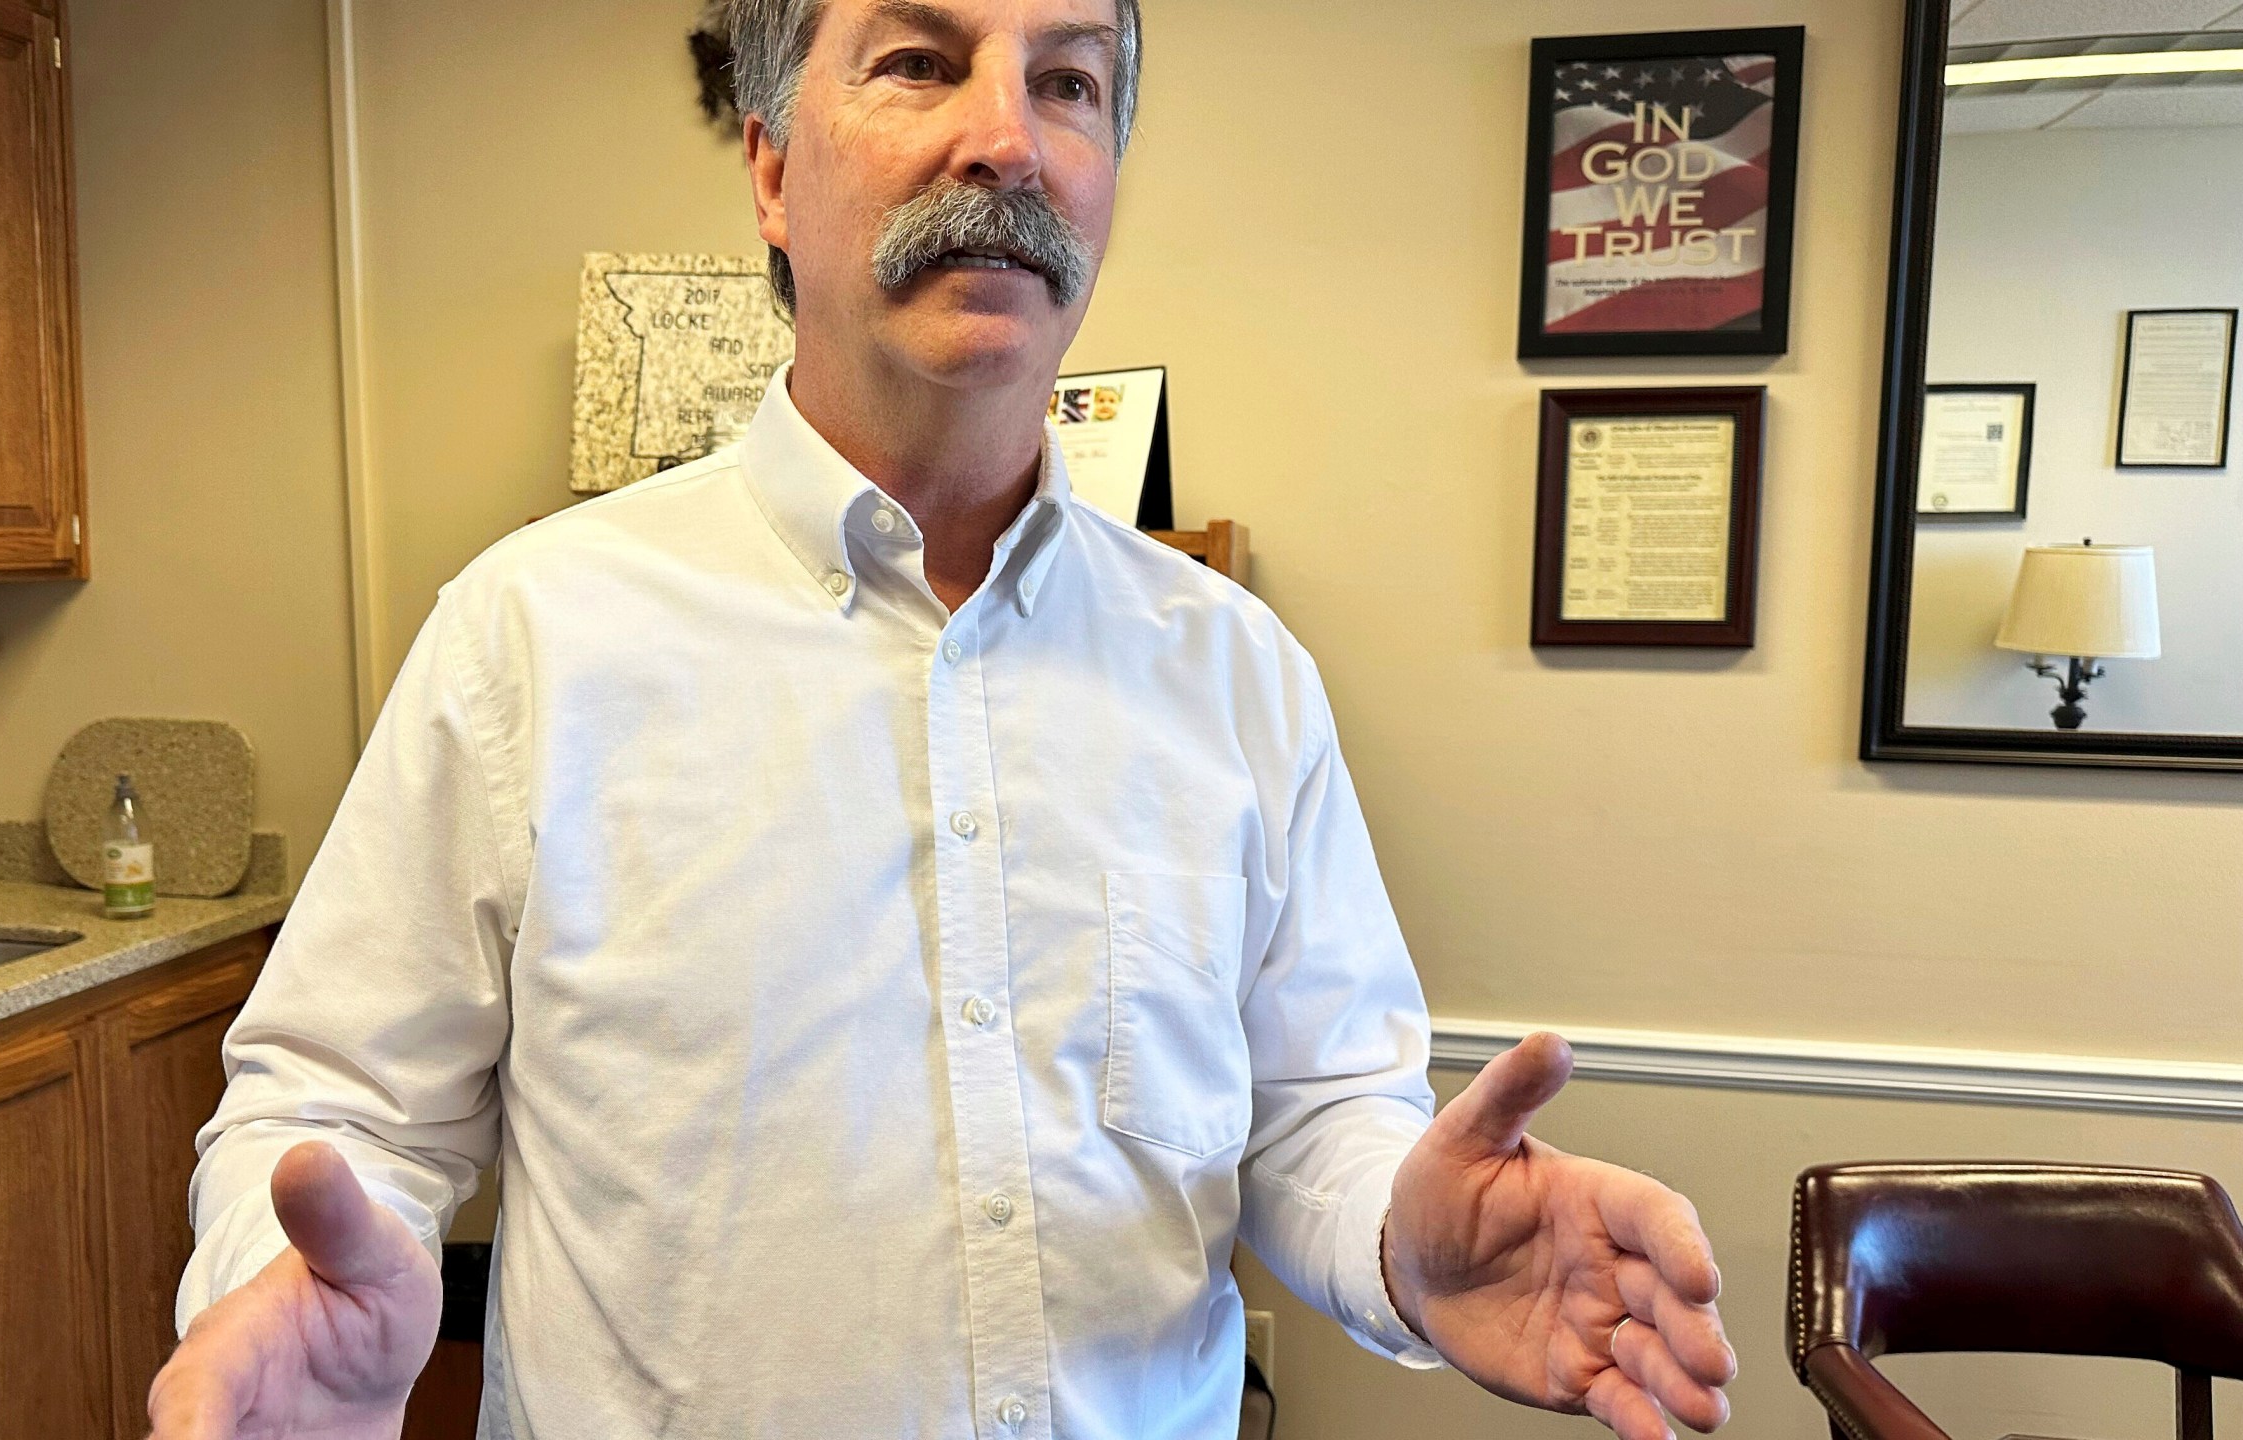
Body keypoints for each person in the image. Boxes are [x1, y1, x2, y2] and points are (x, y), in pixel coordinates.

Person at [148, 1, 1737, 1436]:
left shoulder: (1236, 669)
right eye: (919, 63)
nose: (1009, 135)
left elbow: (1313, 1112)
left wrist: (1405, 1236)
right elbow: (339, 1100)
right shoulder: (532, 638)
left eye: (1070, 81)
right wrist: (284, 1282)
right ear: (770, 170)